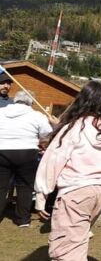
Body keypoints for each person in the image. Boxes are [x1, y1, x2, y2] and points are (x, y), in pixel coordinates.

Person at [34, 81, 101, 261]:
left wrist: (41, 193)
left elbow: (53, 160)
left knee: (65, 249)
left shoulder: (74, 127)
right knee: (78, 238)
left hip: (76, 191)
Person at [0, 92, 54, 227]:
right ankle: (22, 218)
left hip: (2, 150)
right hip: (27, 151)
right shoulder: (37, 115)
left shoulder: (1, 112)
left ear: (15, 100)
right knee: (25, 186)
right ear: (31, 102)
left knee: (1, 186)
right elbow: (46, 133)